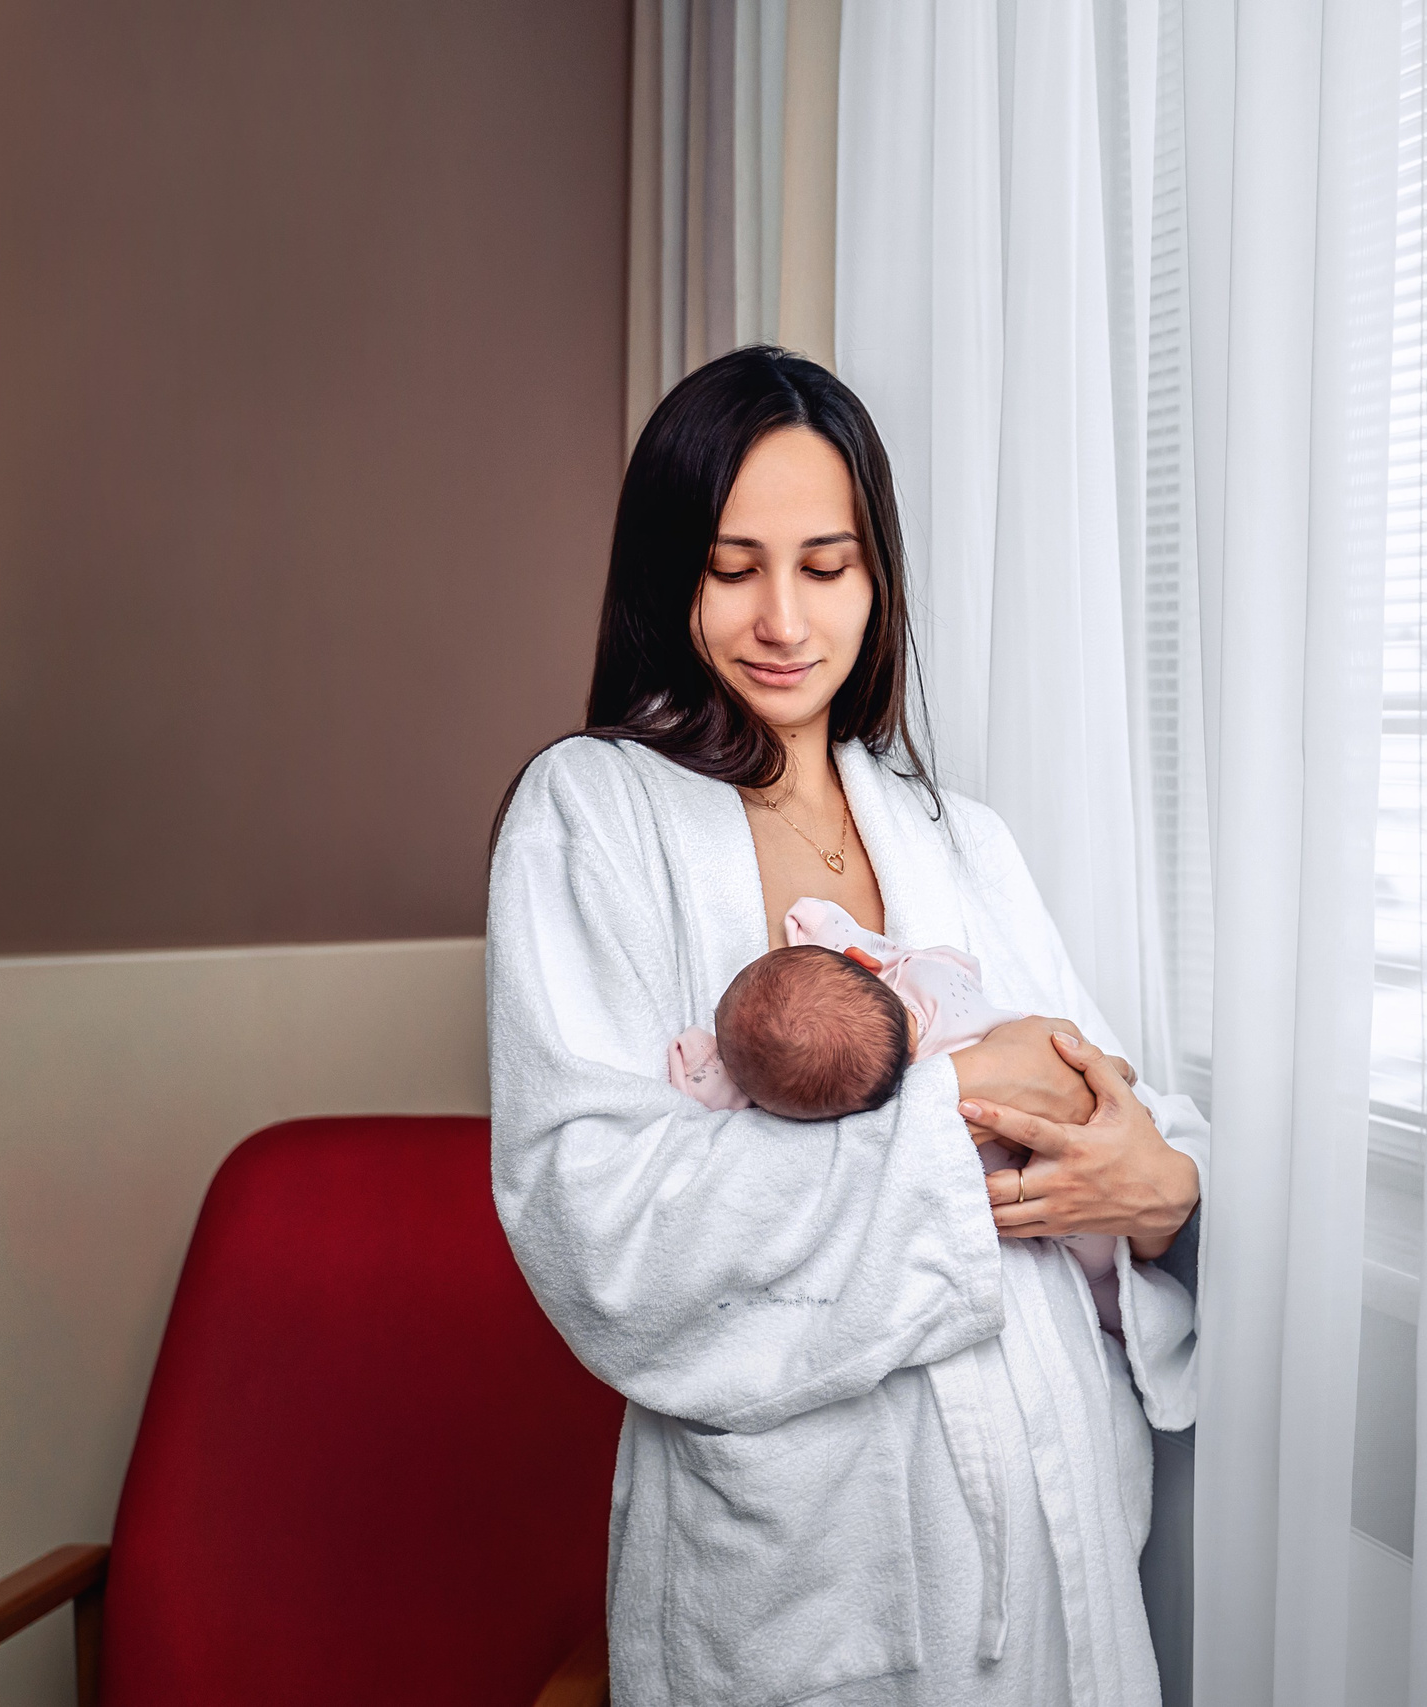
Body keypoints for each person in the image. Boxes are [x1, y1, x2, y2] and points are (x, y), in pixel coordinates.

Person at [486, 345, 1204, 1707]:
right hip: (810, 1573)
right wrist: (954, 1120)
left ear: (877, 578)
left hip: (1054, 1542)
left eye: (825, 564)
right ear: (667, 574)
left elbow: (1108, 1097)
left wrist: (1164, 1192)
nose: (782, 616)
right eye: (731, 563)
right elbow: (600, 1222)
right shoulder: (591, 816)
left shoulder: (956, 833)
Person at [669, 897, 1129, 1332]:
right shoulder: (925, 977)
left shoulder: (867, 1100)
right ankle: (1117, 1310)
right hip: (1075, 1124)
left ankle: (1110, 1303)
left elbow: (727, 1100)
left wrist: (708, 1060)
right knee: (1102, 1257)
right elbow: (954, 963)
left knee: (1089, 1263)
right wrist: (823, 926)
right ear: (865, 963)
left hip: (1030, 1197)